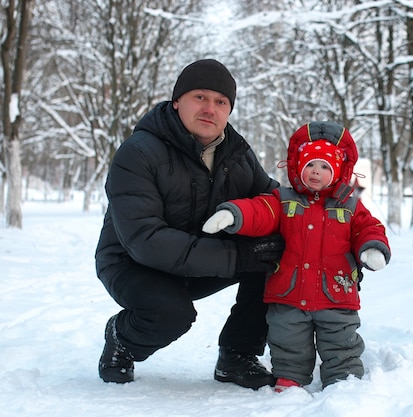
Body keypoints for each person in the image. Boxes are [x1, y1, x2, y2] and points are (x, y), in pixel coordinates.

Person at [95, 59, 285, 390]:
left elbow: (279, 205)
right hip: (132, 262)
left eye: (221, 102)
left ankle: (237, 355)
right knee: (171, 314)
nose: (210, 109)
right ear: (177, 102)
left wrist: (333, 223)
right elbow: (146, 239)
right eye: (200, 97)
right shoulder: (138, 153)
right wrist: (237, 257)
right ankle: (121, 340)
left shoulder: (238, 155)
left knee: (273, 254)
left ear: (229, 111)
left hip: (199, 259)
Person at [202, 121, 391, 391]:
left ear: (338, 171)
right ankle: (290, 378)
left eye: (325, 167)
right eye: (310, 164)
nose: (316, 171)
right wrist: (234, 214)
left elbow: (369, 228)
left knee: (340, 339)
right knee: (287, 338)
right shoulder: (283, 200)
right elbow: (260, 212)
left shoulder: (349, 205)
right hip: (289, 292)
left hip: (336, 292)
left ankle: (345, 382)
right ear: (298, 166)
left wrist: (371, 247)